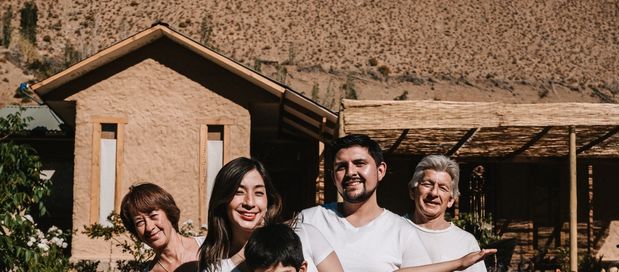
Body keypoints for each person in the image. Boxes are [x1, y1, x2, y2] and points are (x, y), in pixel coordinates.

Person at [301, 134, 494, 272]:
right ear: (333, 176)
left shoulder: (403, 232)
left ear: (381, 171)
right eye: (341, 167)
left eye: (360, 164)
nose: (351, 172)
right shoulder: (308, 221)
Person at [198, 157, 344, 272]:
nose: (249, 202)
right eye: (239, 192)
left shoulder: (305, 234)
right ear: (222, 200)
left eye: (259, 193)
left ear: (269, 200)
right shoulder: (216, 268)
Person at [405, 155, 486, 272]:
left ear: (451, 200)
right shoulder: (393, 231)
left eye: (443, 188)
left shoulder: (465, 242)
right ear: (412, 192)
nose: (434, 193)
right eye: (427, 184)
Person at [120, 182, 202, 272]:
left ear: (169, 213)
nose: (149, 227)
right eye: (140, 222)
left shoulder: (209, 246)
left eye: (153, 216)